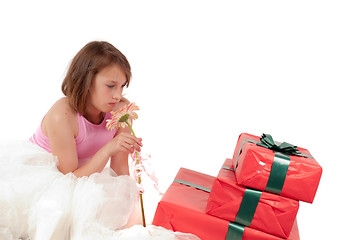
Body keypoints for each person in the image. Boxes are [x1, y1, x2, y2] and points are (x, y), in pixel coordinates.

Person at [0, 41, 199, 240]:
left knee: (119, 216)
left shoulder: (121, 109)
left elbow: (120, 169)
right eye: (110, 86)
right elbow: (68, 179)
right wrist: (107, 150)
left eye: (122, 86)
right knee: (64, 217)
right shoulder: (63, 115)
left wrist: (129, 202)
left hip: (87, 171)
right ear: (85, 82)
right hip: (54, 176)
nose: (117, 95)